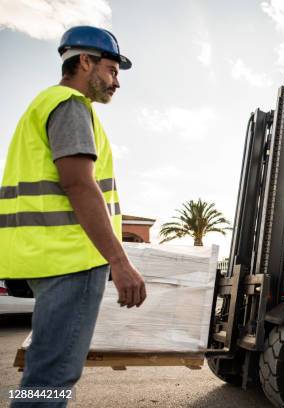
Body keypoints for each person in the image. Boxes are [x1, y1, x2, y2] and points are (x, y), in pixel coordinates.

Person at [0, 26, 146, 406]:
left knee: (44, 370)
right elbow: (79, 184)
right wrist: (119, 260)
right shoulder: (69, 106)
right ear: (85, 61)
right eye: (112, 71)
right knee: (53, 374)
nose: (116, 82)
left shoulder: (45, 103)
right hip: (72, 260)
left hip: (48, 257)